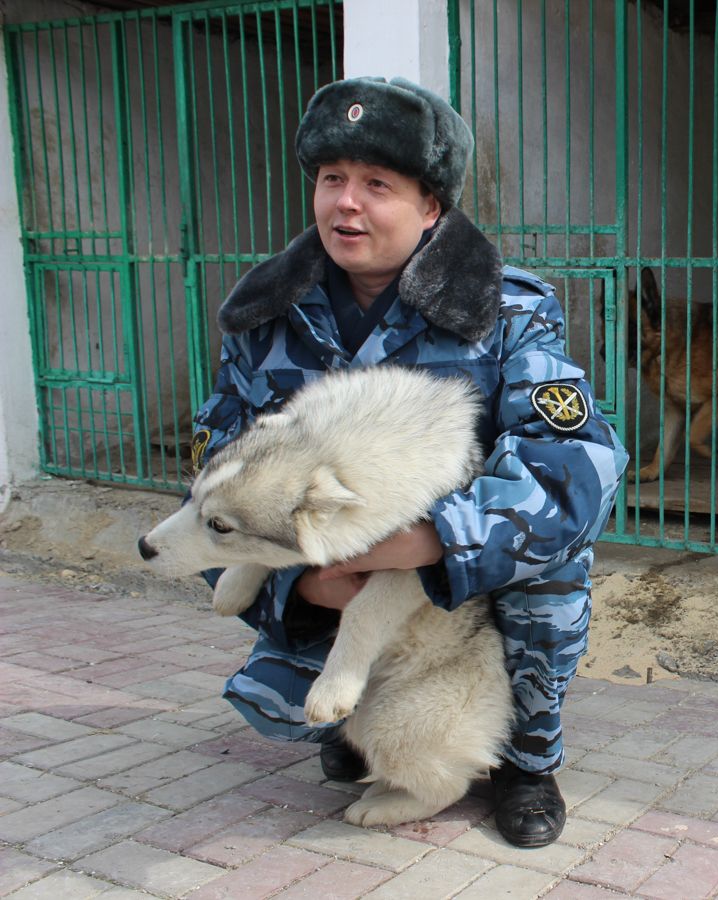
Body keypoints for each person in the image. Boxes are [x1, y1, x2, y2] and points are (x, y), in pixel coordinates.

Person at [190, 76, 628, 848]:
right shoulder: (265, 316)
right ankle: (354, 717)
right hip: (322, 570)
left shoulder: (506, 311)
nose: (345, 204)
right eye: (332, 180)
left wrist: (431, 543)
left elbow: (578, 467)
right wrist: (310, 581)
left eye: (376, 185)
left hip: (461, 580)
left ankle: (526, 758)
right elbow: (215, 479)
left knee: (552, 561)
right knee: (238, 538)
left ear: (431, 209)